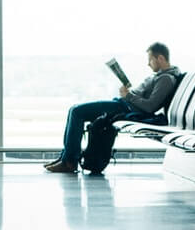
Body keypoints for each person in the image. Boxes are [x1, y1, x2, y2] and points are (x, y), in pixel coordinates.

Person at [45, 42, 182, 173]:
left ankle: (69, 162)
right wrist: (129, 94)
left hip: (125, 108)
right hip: (124, 105)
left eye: (150, 60)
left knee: (77, 111)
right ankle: (66, 158)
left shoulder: (166, 79)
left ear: (160, 58)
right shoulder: (160, 76)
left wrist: (128, 96)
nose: (148, 64)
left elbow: (150, 106)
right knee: (74, 109)